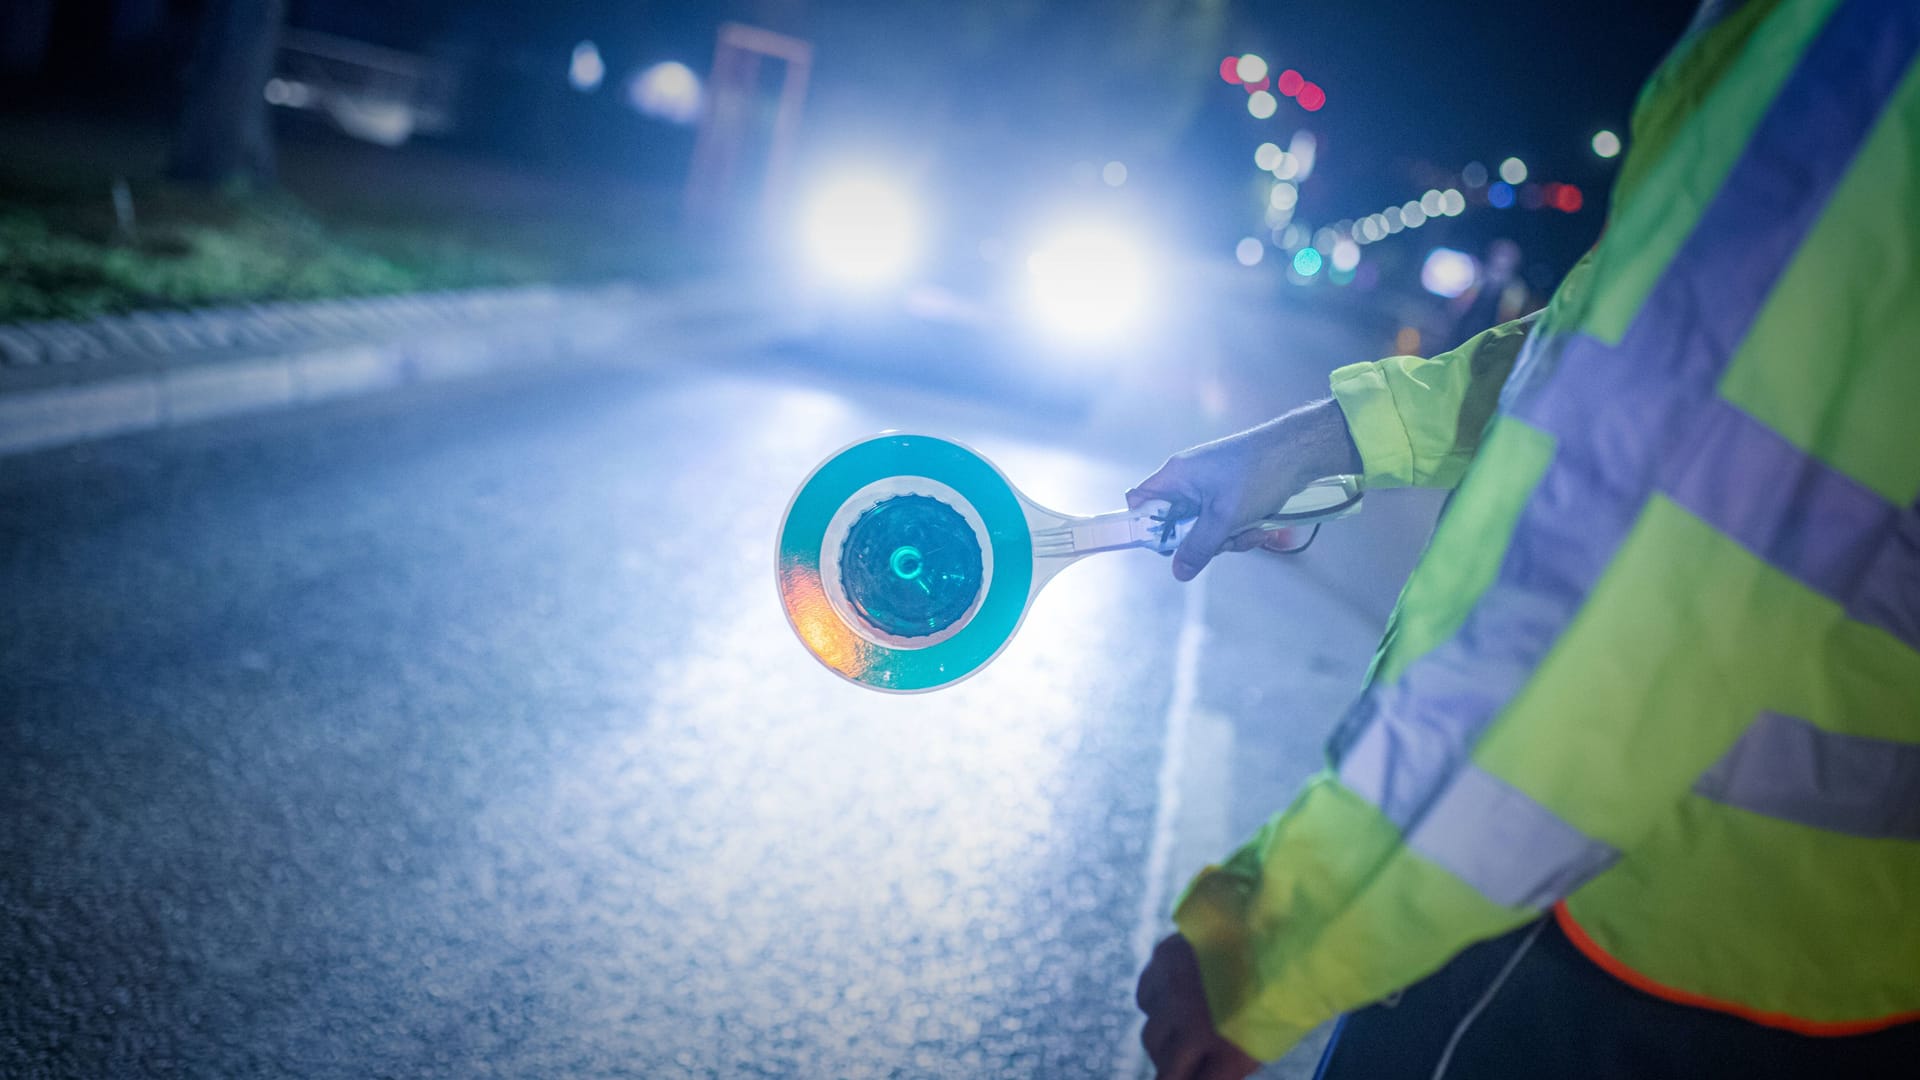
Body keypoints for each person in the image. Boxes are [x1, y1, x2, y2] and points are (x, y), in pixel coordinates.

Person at [1128, 0, 1919, 1076]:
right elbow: (1620, 360)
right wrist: (1326, 438)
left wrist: (1282, 936)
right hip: (1823, 966)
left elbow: (1636, 562)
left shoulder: (1866, 50)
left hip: (1611, 928)